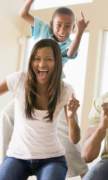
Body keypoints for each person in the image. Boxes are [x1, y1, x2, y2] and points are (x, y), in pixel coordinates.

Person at [0, 0, 89, 178]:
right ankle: (7, 161)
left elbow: (71, 53)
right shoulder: (41, 29)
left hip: (54, 90)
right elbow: (23, 14)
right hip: (29, 87)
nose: (63, 30)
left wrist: (79, 33)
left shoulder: (66, 48)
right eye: (59, 25)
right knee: (6, 116)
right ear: (51, 25)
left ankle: (81, 170)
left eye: (68, 26)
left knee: (66, 131)